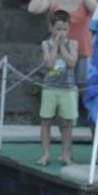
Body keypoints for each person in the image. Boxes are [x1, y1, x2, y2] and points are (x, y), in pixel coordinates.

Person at [27, 0, 97, 87]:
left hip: (84, 50)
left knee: (83, 89)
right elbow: (32, 8)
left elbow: (95, 10)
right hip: (59, 52)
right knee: (60, 88)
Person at [37, 10, 78, 167]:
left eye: (64, 29)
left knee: (67, 123)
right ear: (51, 28)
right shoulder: (46, 44)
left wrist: (62, 46)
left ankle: (66, 155)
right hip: (50, 88)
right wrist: (55, 46)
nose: (61, 32)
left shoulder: (73, 44)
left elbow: (72, 62)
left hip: (67, 89)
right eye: (58, 29)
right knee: (46, 121)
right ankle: (45, 155)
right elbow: (49, 63)